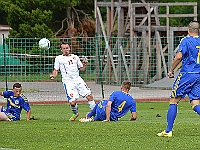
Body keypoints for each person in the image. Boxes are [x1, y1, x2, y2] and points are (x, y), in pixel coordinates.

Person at [157, 20, 200, 137]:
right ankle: (168, 130)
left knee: (174, 100)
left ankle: (168, 130)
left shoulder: (186, 40)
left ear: (188, 30)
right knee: (195, 103)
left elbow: (179, 56)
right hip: (198, 75)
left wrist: (171, 70)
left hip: (187, 74)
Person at [50, 41, 96, 121]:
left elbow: (82, 69)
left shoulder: (75, 57)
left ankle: (95, 113)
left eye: (67, 48)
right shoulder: (59, 58)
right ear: (61, 50)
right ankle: (75, 113)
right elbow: (56, 70)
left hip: (78, 80)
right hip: (68, 82)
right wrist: (53, 75)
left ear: (69, 48)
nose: (66, 50)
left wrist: (84, 64)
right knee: (72, 103)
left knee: (90, 96)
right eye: (64, 48)